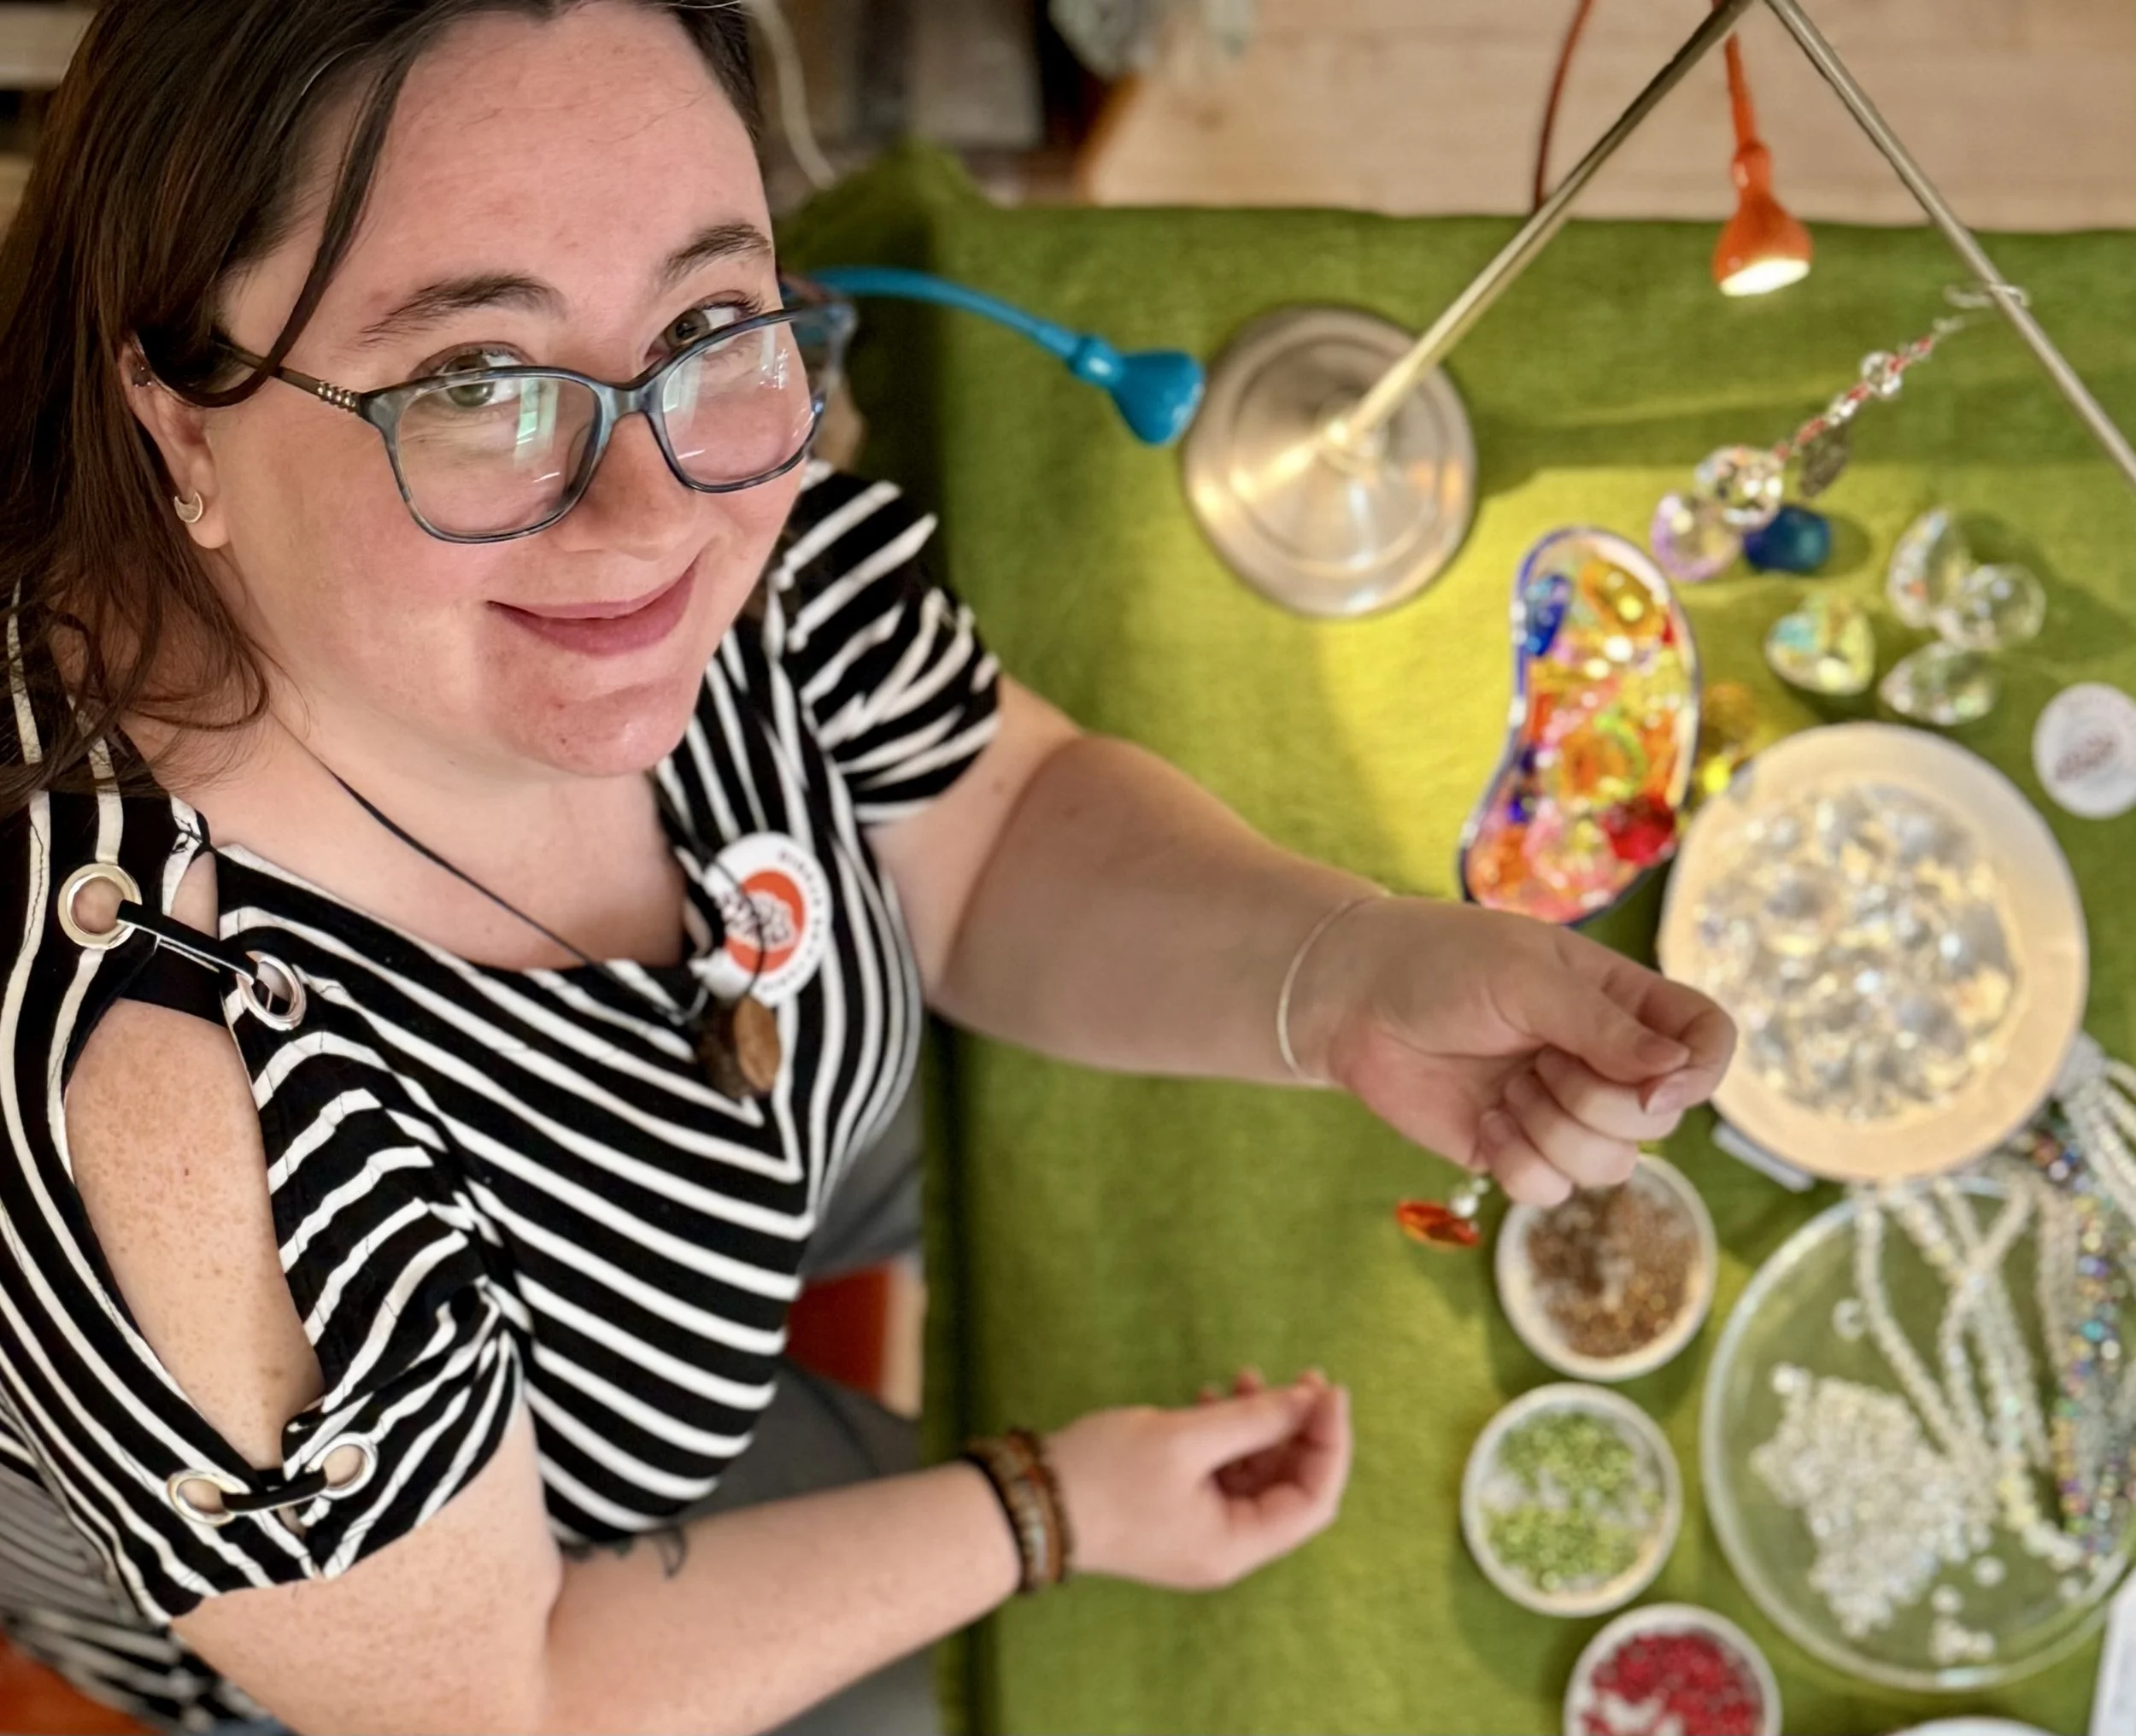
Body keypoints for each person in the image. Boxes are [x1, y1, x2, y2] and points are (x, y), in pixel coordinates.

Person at [0, 3, 1736, 1730]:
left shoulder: (705, 474)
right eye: (475, 381)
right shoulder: (160, 1110)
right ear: (178, 423)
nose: (658, 506)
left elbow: (974, 838)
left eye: (704, 314)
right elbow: (510, 1689)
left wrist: (1343, 973)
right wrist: (1045, 1506)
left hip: (712, 1223)